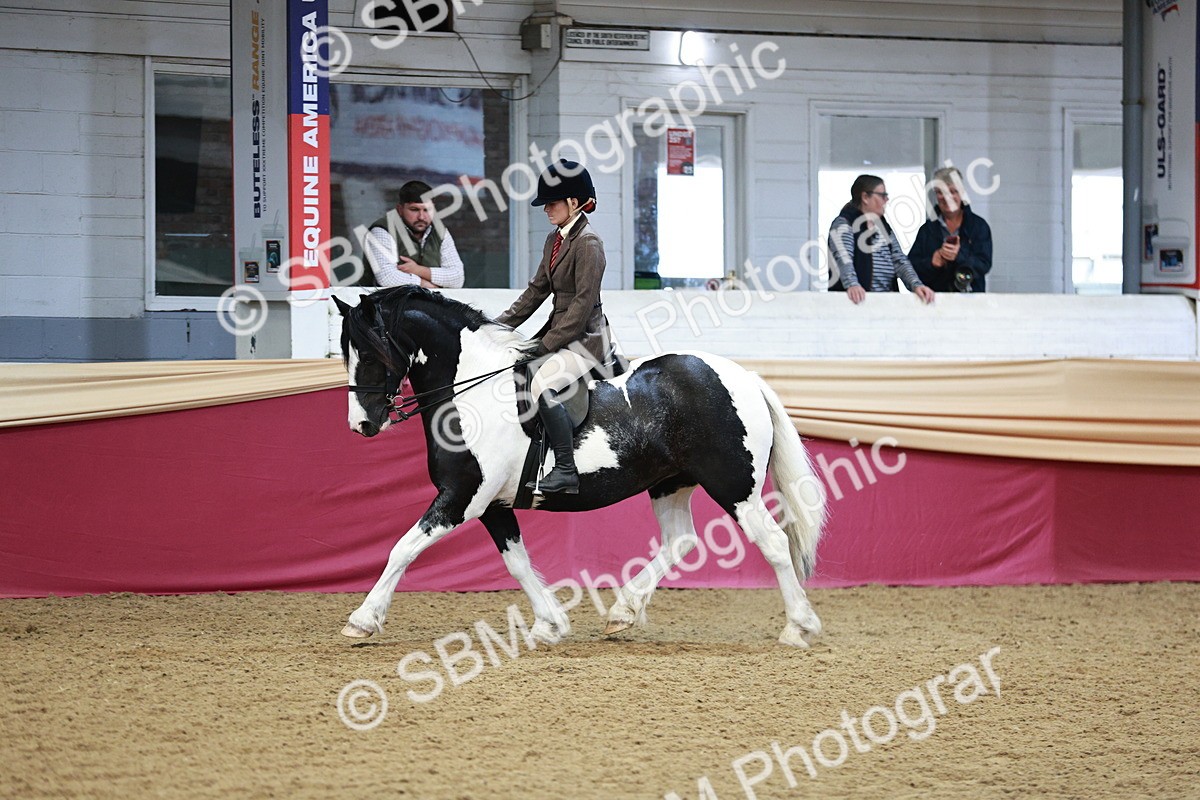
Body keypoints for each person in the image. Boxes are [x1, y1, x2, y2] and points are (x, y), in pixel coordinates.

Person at [495, 160, 615, 495]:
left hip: (585, 339)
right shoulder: (555, 239)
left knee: (543, 385)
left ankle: (566, 469)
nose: (546, 209)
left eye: (553, 202)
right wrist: (494, 328)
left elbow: (581, 306)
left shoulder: (589, 244)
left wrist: (545, 345)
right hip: (560, 330)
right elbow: (536, 291)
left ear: (574, 202)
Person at [828, 174, 935, 305]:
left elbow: (899, 260)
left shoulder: (883, 226)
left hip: (886, 301)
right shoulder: (844, 224)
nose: (886, 200)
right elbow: (844, 257)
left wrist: (916, 285)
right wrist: (852, 284)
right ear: (865, 197)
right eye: (882, 195)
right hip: (857, 302)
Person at [362, 180, 465, 288]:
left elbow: (457, 279)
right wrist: (426, 285)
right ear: (400, 210)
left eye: (427, 210)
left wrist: (418, 270)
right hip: (384, 303)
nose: (421, 217)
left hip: (429, 304)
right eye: (414, 209)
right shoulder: (382, 230)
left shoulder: (440, 232)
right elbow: (387, 277)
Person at [908, 166, 993, 293]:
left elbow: (984, 264)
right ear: (936, 194)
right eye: (941, 192)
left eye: (953, 191)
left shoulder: (978, 226)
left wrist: (959, 256)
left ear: (962, 193)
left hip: (971, 303)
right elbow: (910, 268)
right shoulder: (926, 230)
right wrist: (932, 262)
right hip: (934, 303)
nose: (947, 198)